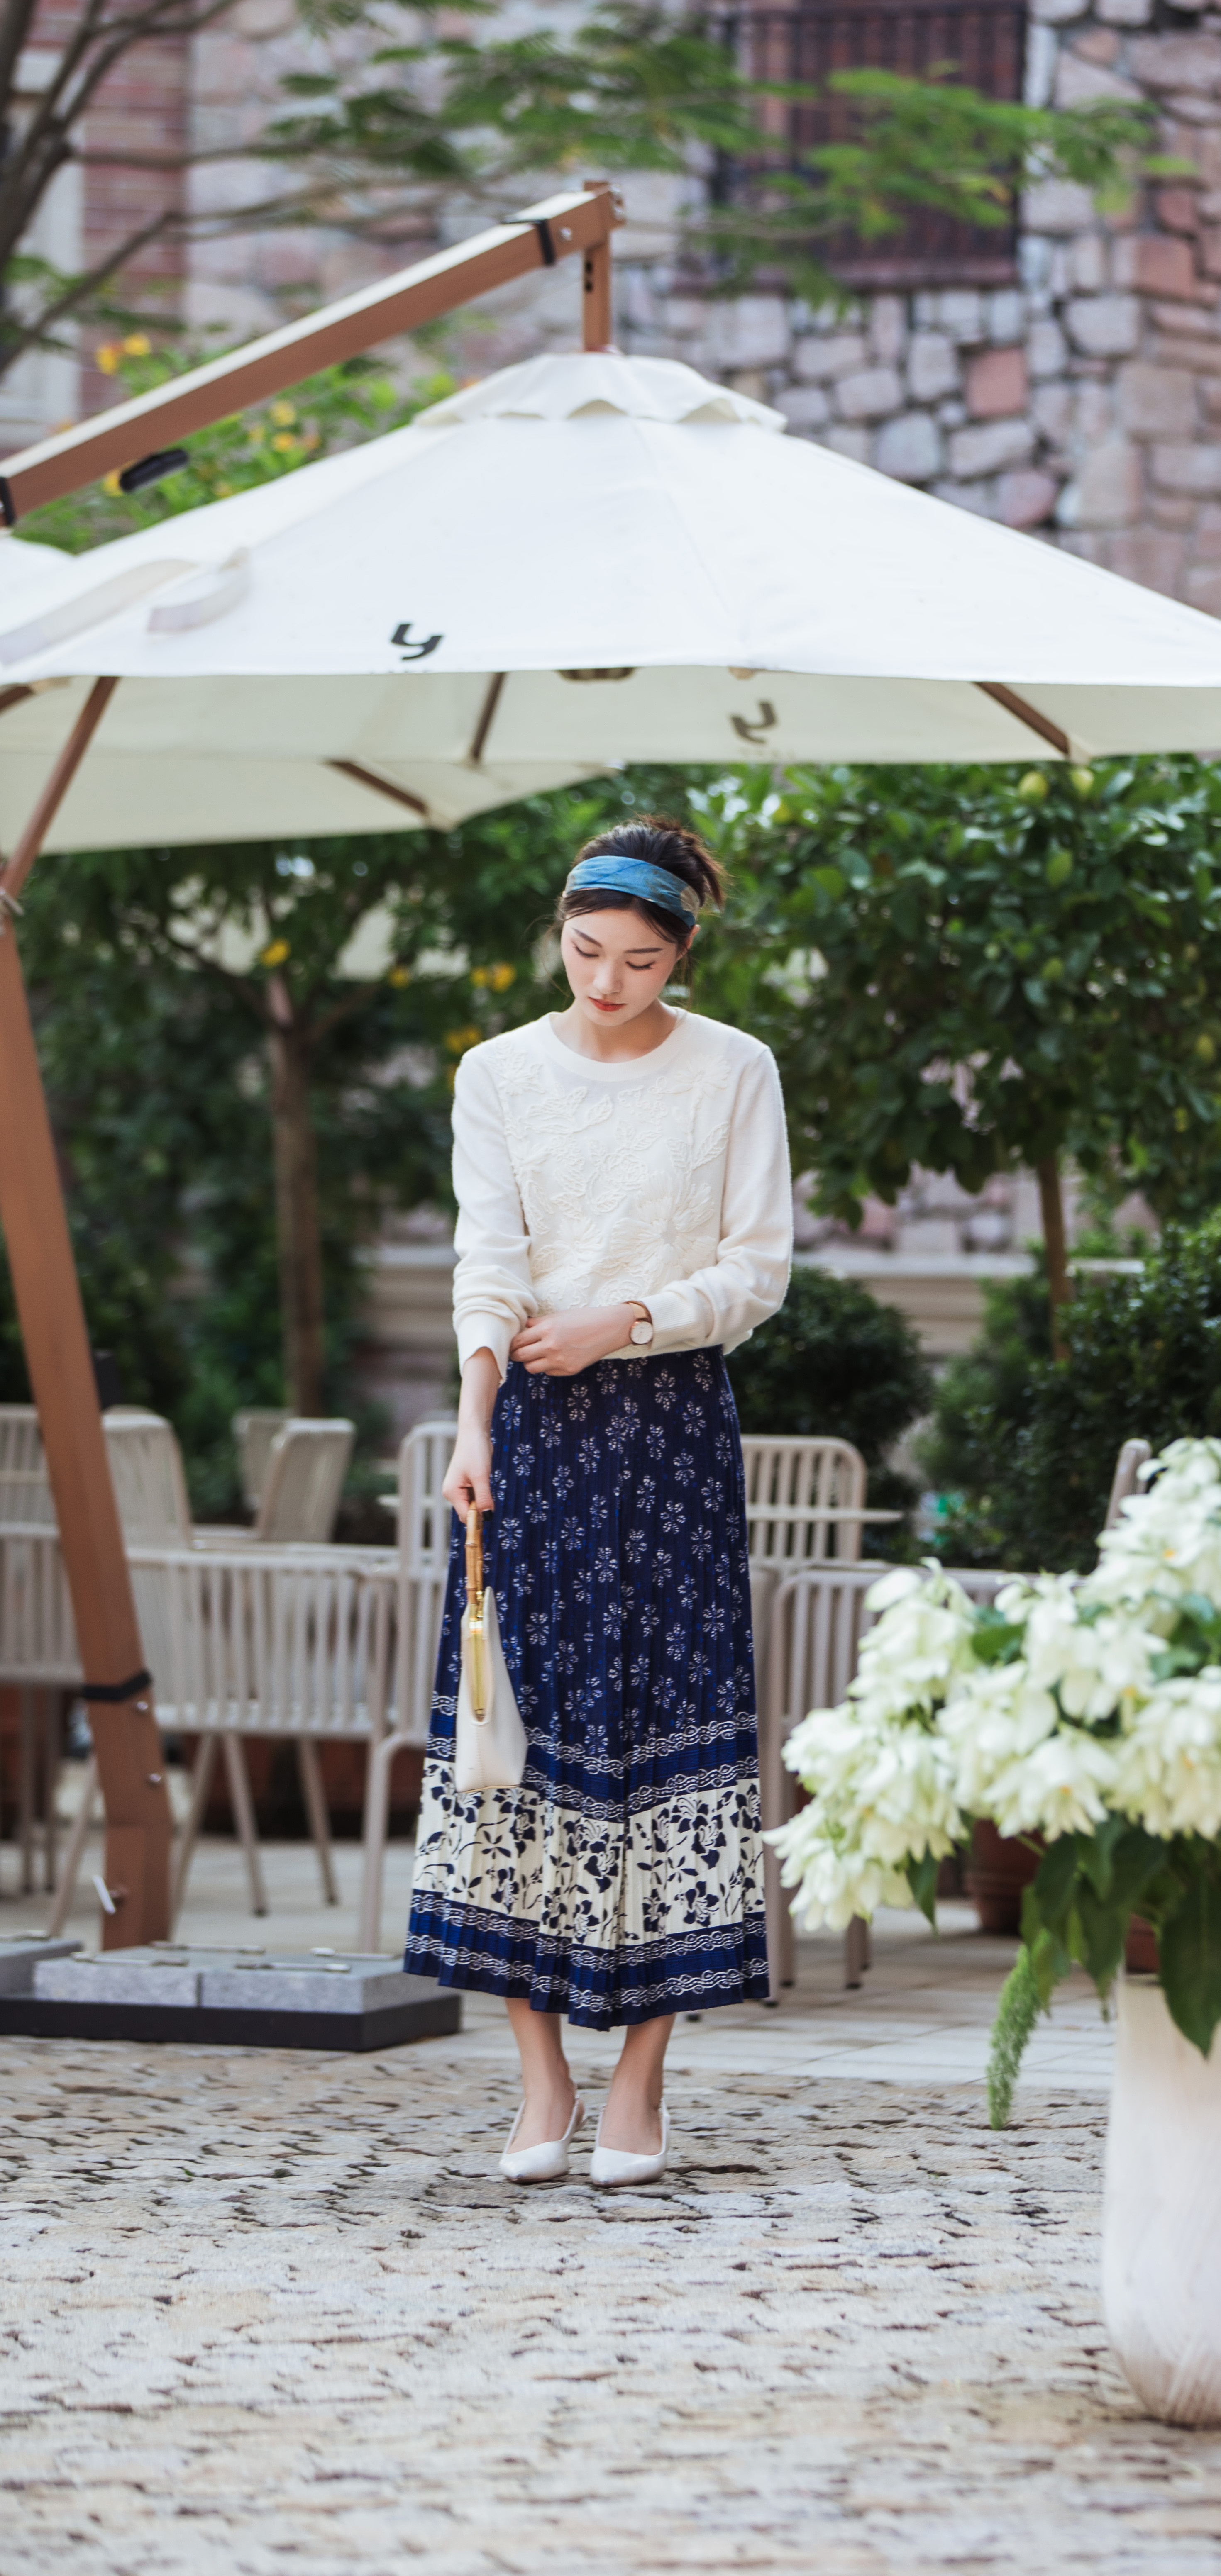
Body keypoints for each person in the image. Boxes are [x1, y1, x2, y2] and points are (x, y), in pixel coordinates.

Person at [403, 817, 791, 2187]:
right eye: (584, 952)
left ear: (682, 955)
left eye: (638, 960)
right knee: (511, 1736)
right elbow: (486, 1258)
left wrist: (625, 1320)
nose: (607, 981)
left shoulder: (736, 1069)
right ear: (559, 935)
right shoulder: (498, 1072)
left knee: (667, 1737)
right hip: (530, 1433)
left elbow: (758, 1271)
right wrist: (474, 1422)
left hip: (672, 1429)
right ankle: (540, 2083)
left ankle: (640, 2081)